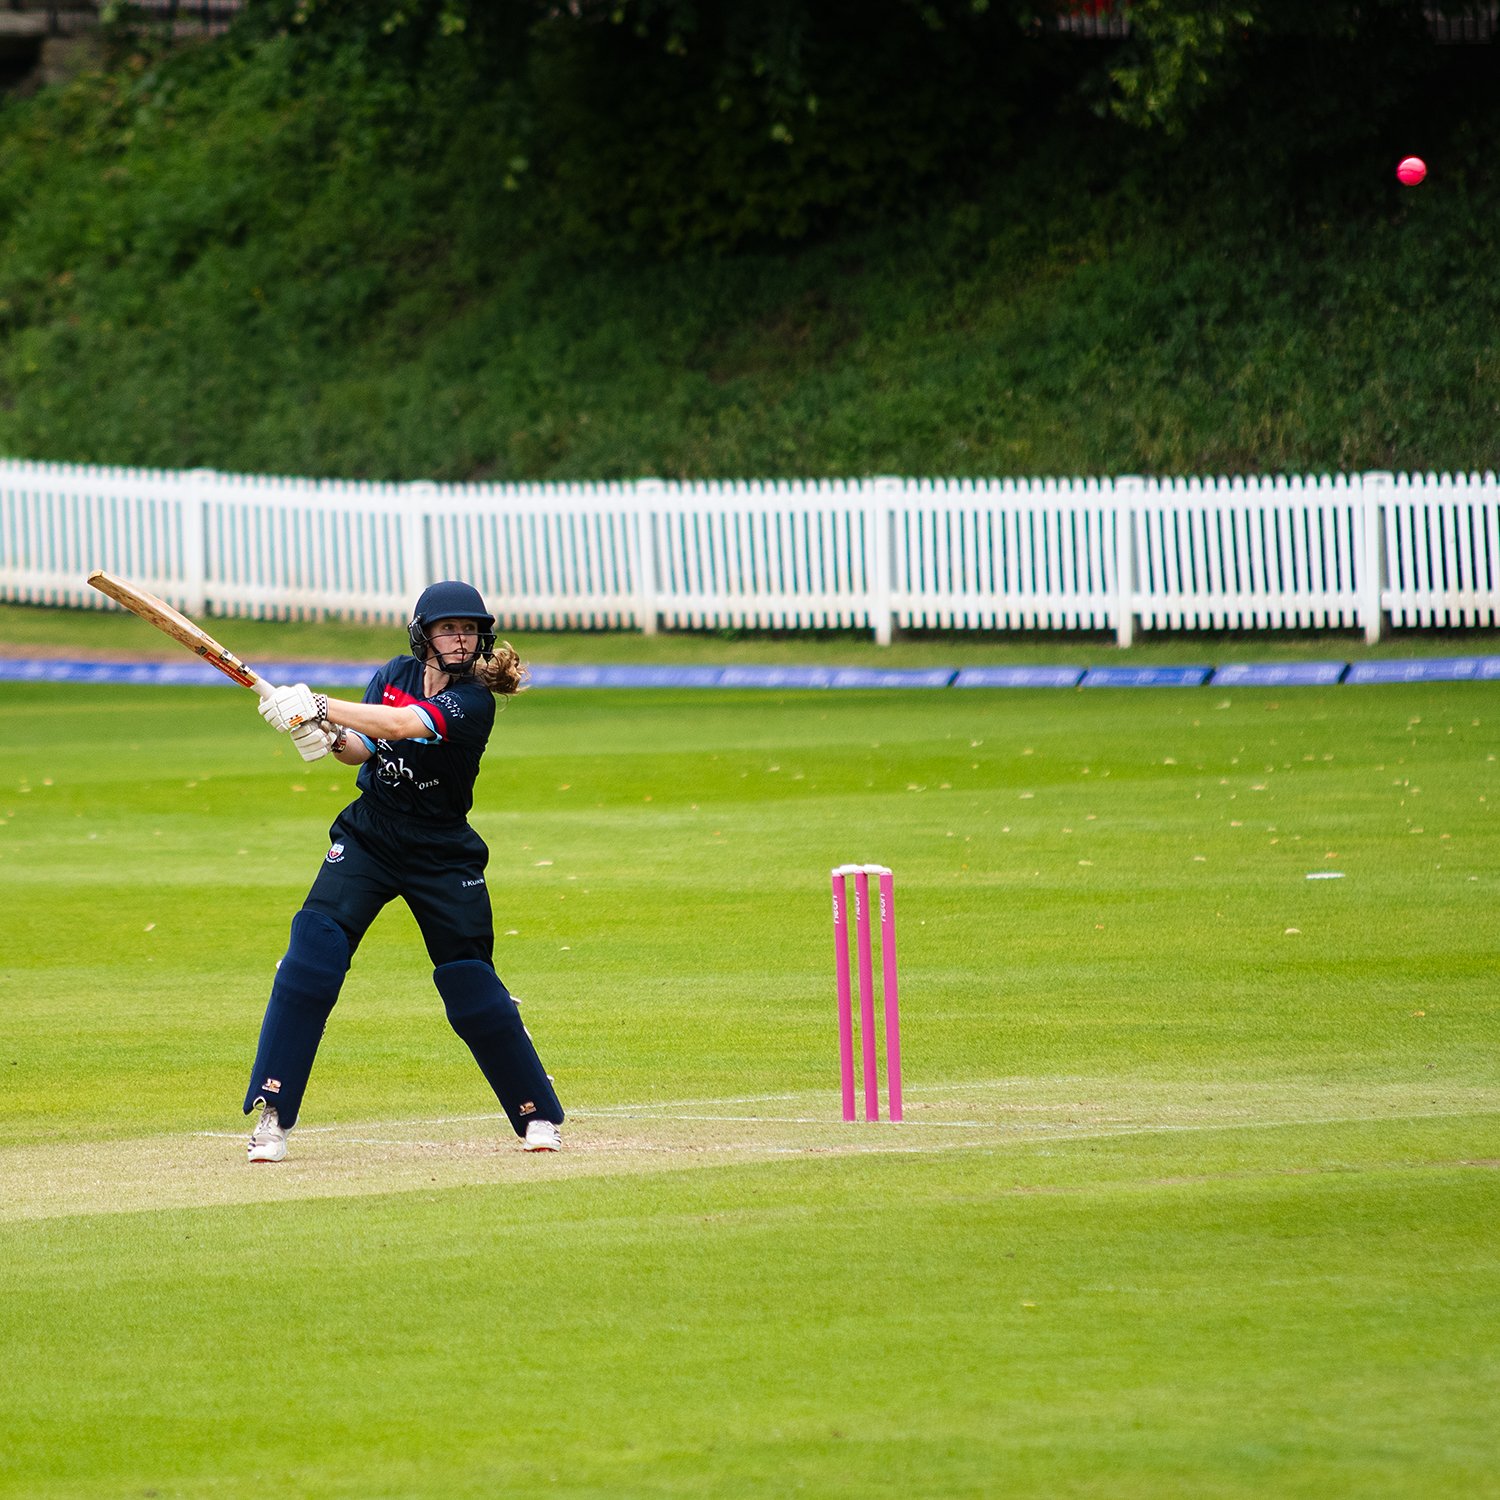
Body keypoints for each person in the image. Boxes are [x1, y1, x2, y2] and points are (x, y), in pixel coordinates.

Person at [242, 580, 565, 1163]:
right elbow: (365, 746)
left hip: (442, 852)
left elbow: (401, 726)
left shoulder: (474, 700)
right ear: (423, 635)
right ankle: (273, 1115)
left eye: (469, 629)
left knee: (470, 983)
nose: (460, 639)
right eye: (448, 629)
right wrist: (324, 734)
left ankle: (536, 1112)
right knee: (312, 951)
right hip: (371, 835)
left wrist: (316, 703)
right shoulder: (395, 671)